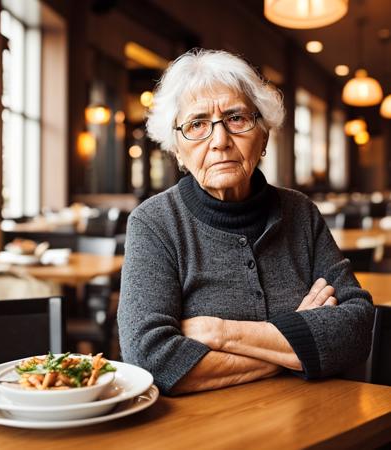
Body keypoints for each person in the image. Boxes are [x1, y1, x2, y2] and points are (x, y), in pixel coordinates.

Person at [117, 49, 374, 395]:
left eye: (236, 118)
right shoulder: (154, 223)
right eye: (197, 125)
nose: (220, 141)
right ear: (177, 149)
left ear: (264, 135)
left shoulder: (301, 212)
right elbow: (150, 359)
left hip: (313, 418)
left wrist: (221, 333)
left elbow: (357, 327)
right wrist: (297, 344)